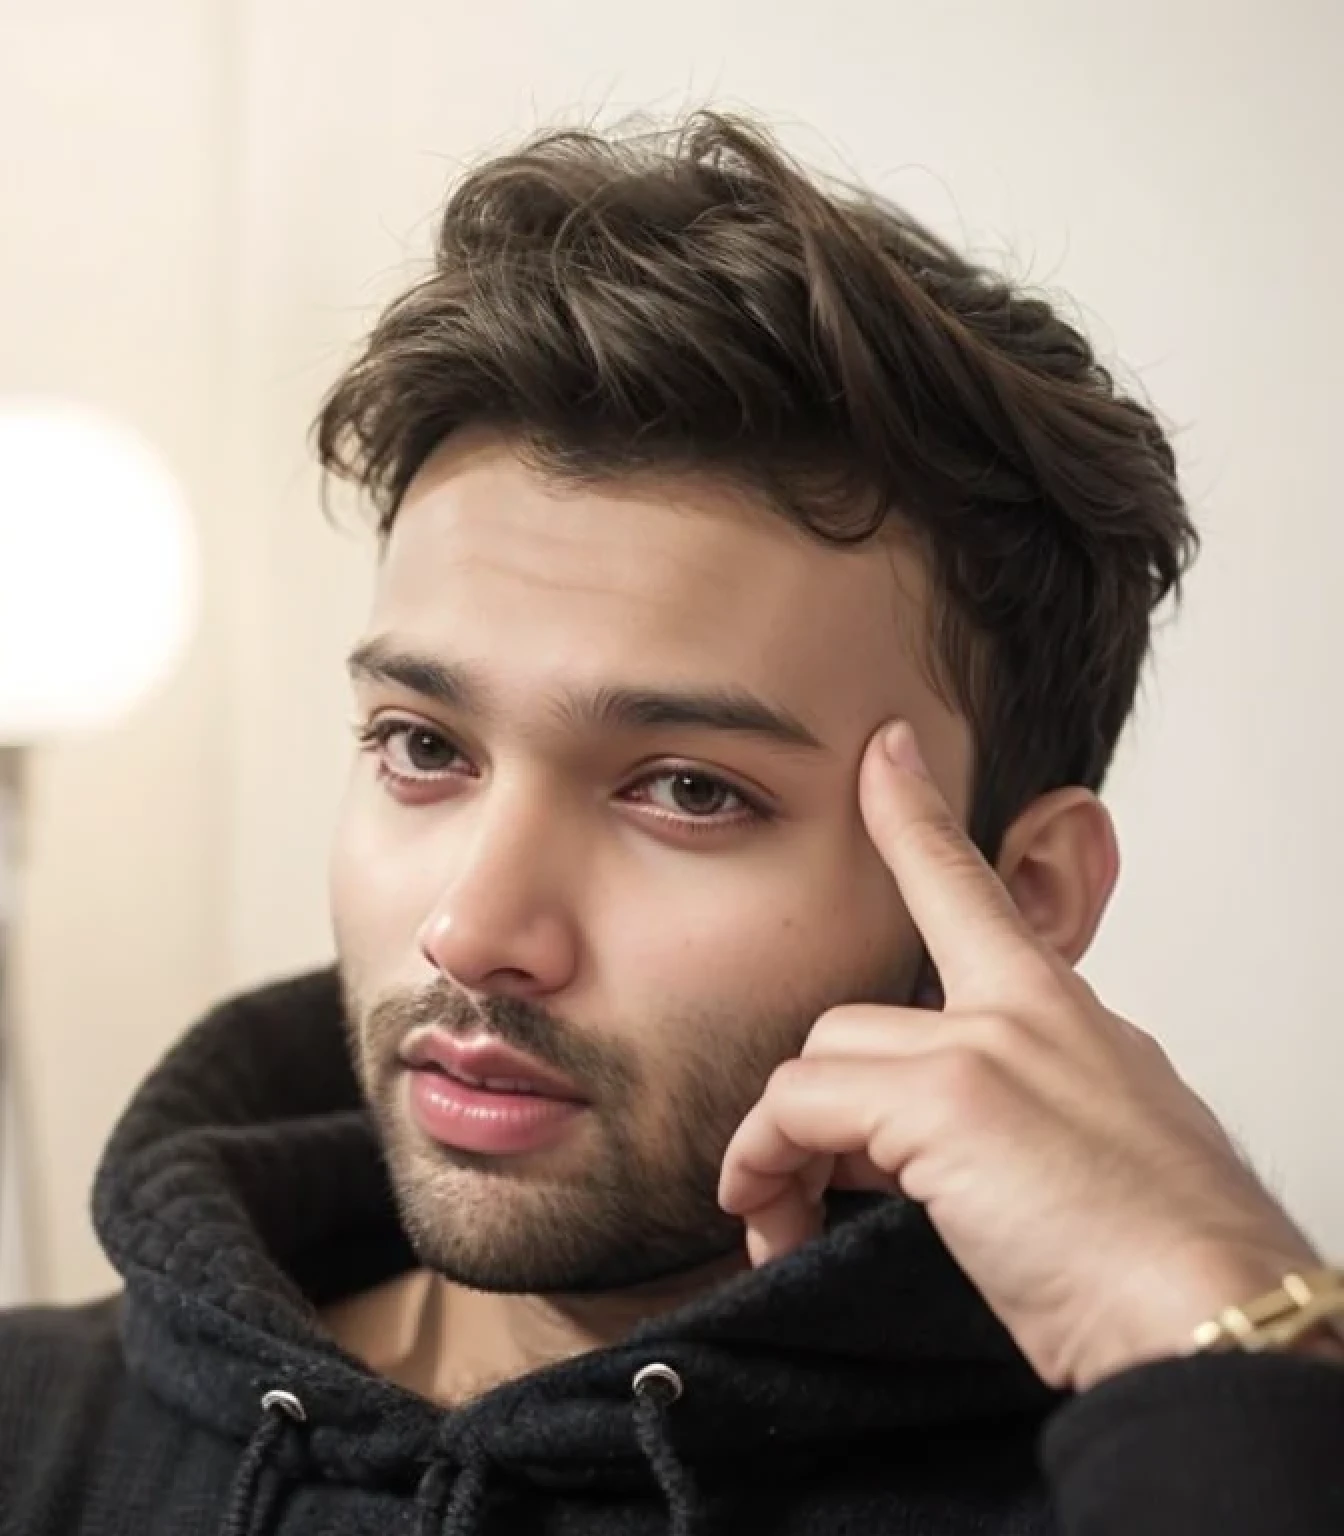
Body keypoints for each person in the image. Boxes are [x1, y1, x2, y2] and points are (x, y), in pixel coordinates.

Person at [1, 110, 1341, 1536]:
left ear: (1023, 896)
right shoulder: (30, 1439)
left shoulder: (1170, 1478)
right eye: (422, 746)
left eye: (689, 789)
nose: (474, 928)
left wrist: (1225, 1317)